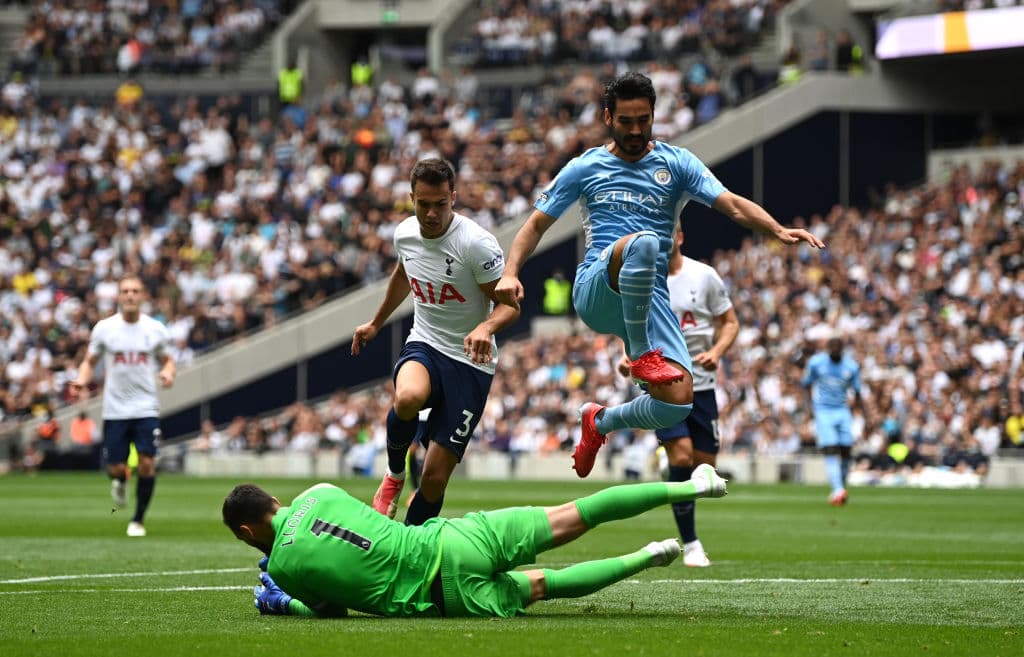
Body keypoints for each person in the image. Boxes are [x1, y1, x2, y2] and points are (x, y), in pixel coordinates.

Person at [493, 71, 823, 479]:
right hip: (598, 287)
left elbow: (733, 204)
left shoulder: (677, 163)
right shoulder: (586, 167)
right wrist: (511, 272)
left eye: (643, 120)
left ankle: (600, 421)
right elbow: (534, 225)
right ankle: (640, 354)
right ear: (608, 117)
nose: (635, 130)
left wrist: (776, 229)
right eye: (626, 121)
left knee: (677, 402)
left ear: (653, 116)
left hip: (650, 299)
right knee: (646, 243)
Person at [222, 464, 728, 618]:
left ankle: (645, 556)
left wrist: (284, 602)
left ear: (247, 532)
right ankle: (691, 487)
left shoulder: (283, 566)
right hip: (455, 539)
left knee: (544, 585)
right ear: (273, 499)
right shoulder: (321, 491)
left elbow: (332, 612)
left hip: (447, 595)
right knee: (576, 513)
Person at [351, 158, 519, 525]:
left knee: (433, 481)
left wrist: (486, 328)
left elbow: (511, 306)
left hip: (471, 362)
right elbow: (403, 274)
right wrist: (376, 323)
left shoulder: (475, 244)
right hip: (426, 343)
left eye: (440, 204)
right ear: (411, 198)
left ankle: (409, 546)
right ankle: (394, 475)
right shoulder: (404, 234)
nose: (431, 214)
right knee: (407, 397)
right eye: (423, 204)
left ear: (453, 197)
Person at [618, 227, 738, 567]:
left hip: (703, 384)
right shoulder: (642, 279)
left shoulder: (704, 276)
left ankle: (665, 459)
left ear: (680, 238)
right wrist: (626, 356)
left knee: (704, 467)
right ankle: (692, 543)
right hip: (664, 383)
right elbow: (628, 325)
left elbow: (730, 322)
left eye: (668, 234)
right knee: (683, 458)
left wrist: (717, 351)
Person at [71, 274, 176, 536]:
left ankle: (138, 520)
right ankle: (120, 480)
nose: (130, 295)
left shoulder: (155, 329)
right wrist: (82, 380)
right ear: (119, 296)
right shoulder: (105, 329)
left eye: (135, 291)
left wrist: (167, 373)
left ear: (143, 296)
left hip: (146, 407)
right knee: (115, 467)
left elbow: (167, 359)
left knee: (147, 463)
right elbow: (89, 362)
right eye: (125, 291)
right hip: (115, 409)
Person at [801, 336, 864, 505]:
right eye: (832, 346)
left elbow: (857, 391)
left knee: (846, 450)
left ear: (842, 348)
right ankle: (838, 490)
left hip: (842, 410)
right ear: (828, 348)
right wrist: (809, 408)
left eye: (838, 346)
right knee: (830, 448)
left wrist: (859, 412)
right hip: (823, 411)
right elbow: (806, 384)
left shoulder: (851, 366)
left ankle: (840, 487)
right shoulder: (816, 363)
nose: (835, 349)